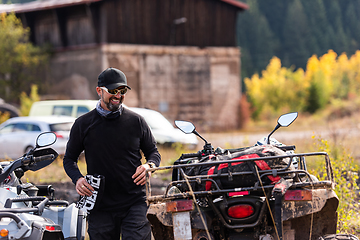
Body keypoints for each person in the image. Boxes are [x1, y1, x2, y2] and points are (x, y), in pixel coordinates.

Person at [63, 67, 161, 240]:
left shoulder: (136, 121)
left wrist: (149, 166)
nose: (118, 95)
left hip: (134, 203)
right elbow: (69, 159)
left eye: (122, 91)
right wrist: (77, 179)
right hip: (100, 206)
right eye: (113, 91)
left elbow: (153, 152)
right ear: (99, 91)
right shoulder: (83, 124)